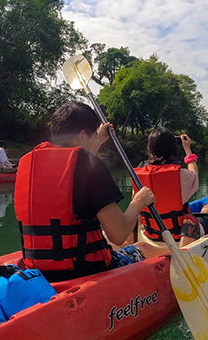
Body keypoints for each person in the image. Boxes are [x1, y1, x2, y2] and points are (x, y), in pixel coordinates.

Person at [14, 101, 167, 282]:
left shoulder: (30, 165)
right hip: (85, 271)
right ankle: (186, 250)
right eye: (93, 136)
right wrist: (138, 202)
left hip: (40, 271)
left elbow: (77, 167)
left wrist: (97, 140)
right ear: (82, 135)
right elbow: (118, 235)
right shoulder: (92, 168)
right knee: (143, 247)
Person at [134, 127, 208, 248]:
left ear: (150, 148)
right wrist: (187, 149)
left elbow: (137, 208)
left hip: (149, 234)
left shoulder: (137, 176)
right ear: (173, 148)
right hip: (180, 235)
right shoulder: (181, 175)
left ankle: (204, 214)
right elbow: (194, 173)